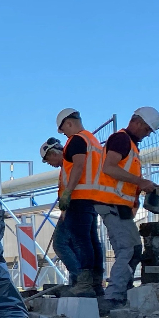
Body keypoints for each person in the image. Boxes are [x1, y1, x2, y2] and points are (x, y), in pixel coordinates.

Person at [93, 105, 159, 307]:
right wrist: (140, 182)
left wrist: (146, 185)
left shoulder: (131, 146)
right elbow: (109, 168)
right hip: (112, 204)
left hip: (119, 206)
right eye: (146, 129)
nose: (146, 134)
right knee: (127, 250)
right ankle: (114, 297)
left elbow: (125, 177)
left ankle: (123, 292)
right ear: (136, 122)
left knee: (134, 249)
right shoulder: (121, 140)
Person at [53, 108, 111, 298]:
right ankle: (95, 283)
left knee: (81, 241)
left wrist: (68, 191)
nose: (63, 135)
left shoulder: (77, 140)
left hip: (79, 198)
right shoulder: (92, 140)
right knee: (92, 240)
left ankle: (85, 283)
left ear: (69, 123)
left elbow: (78, 165)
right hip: (93, 197)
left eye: (63, 130)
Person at [39, 138, 83, 289]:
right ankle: (78, 281)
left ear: (53, 153)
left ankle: (80, 279)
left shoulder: (70, 163)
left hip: (75, 206)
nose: (49, 163)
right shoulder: (66, 166)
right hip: (73, 206)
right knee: (73, 244)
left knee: (60, 243)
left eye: (48, 159)